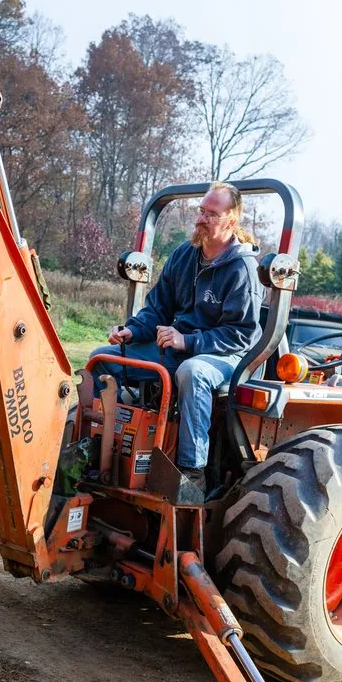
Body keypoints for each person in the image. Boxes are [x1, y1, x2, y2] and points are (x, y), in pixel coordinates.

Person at [90, 181, 263, 495]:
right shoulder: (185, 255)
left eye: (211, 214)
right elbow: (158, 307)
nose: (200, 219)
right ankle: (97, 452)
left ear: (231, 221)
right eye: (201, 211)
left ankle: (191, 475)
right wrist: (133, 330)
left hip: (227, 357)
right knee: (103, 360)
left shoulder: (243, 269)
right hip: (177, 347)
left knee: (192, 373)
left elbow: (242, 334)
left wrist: (189, 342)